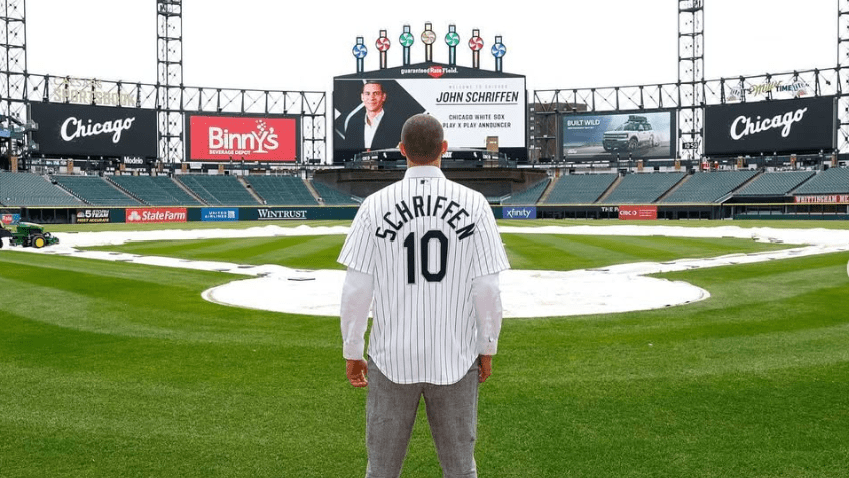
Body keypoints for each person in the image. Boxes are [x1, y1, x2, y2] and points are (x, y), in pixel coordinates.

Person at [338, 113, 510, 478]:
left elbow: (357, 289)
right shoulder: (476, 204)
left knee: (381, 472)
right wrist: (488, 347)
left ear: (402, 151)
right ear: (443, 149)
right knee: (461, 471)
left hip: (391, 359)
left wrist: (353, 351)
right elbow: (487, 288)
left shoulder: (373, 206)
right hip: (455, 358)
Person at [342, 81, 407, 152]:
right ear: (362, 97)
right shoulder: (353, 123)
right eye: (367, 94)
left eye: (375, 93)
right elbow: (347, 154)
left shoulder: (397, 124)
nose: (371, 98)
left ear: (383, 97)